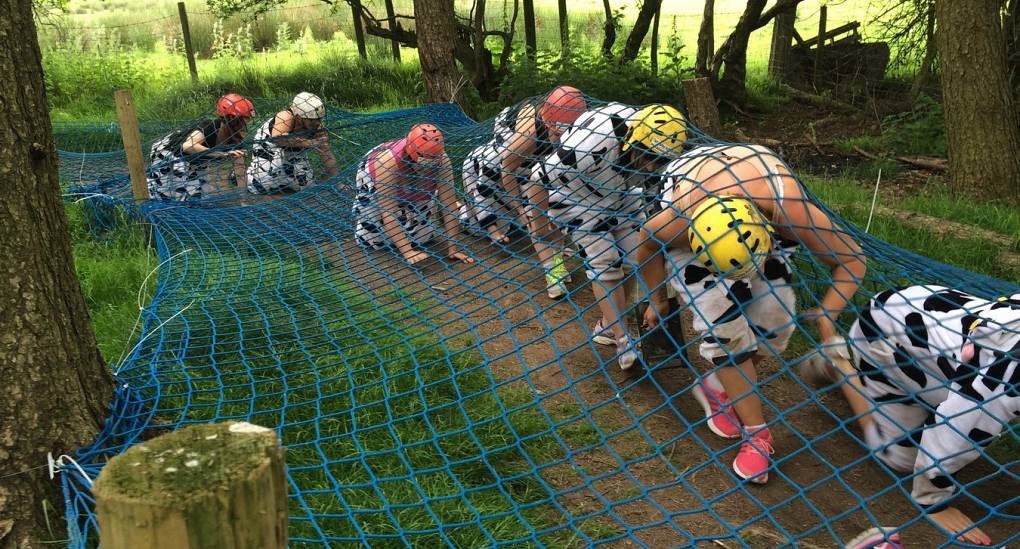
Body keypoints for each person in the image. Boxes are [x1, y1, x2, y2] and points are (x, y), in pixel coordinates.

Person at [638, 144, 868, 484]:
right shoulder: (677, 219)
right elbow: (647, 245)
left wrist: (827, 312)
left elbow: (852, 260)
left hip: (756, 206)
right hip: (702, 214)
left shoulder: (791, 212)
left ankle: (718, 387)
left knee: (776, 323)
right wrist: (657, 300)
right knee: (725, 329)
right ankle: (757, 435)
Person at [800, 285, 1019, 547]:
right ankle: (838, 364)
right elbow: (956, 427)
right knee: (899, 458)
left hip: (929, 327)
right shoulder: (1010, 374)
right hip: (886, 335)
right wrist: (933, 500)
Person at [535, 103, 689, 370]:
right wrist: (540, 225)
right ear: (634, 139)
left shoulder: (660, 149)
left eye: (660, 161)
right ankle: (622, 340)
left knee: (634, 260)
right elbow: (539, 178)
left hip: (621, 195)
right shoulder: (588, 146)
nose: (653, 167)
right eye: (649, 157)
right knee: (605, 263)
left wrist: (660, 295)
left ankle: (607, 326)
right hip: (575, 197)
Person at [498, 85, 588, 299]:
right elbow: (507, 168)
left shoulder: (584, 124)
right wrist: (518, 207)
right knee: (533, 211)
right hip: (509, 159)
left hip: (544, 158)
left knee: (557, 204)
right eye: (556, 131)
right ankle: (551, 268)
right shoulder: (527, 134)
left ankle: (556, 260)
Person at [353, 123, 474, 265]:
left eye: (431, 164)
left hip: (415, 186)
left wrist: (453, 248)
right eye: (423, 164)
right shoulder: (387, 163)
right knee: (373, 240)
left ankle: (410, 223)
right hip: (374, 178)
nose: (426, 169)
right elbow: (388, 212)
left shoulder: (442, 160)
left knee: (422, 238)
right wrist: (408, 252)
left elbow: (449, 205)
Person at [146, 93, 253, 201]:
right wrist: (221, 154)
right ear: (228, 118)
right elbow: (188, 146)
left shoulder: (236, 139)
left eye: (245, 121)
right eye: (239, 121)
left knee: (200, 199)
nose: (242, 126)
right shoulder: (209, 126)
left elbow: (240, 170)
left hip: (196, 160)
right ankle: (148, 186)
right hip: (169, 154)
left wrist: (243, 201)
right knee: (166, 198)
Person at [246, 92, 339, 195]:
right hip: (268, 151)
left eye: (319, 119)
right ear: (299, 117)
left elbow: (325, 151)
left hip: (294, 155)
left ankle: (287, 178)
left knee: (309, 189)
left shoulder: (315, 126)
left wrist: (338, 183)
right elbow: (278, 140)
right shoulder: (286, 116)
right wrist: (310, 142)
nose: (317, 123)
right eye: (312, 120)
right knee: (259, 187)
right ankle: (252, 175)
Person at [460, 141, 516, 246]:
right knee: (476, 228)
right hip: (478, 171)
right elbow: (481, 197)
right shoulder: (492, 160)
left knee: (512, 221)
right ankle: (461, 213)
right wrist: (494, 232)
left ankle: (459, 207)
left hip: (509, 164)